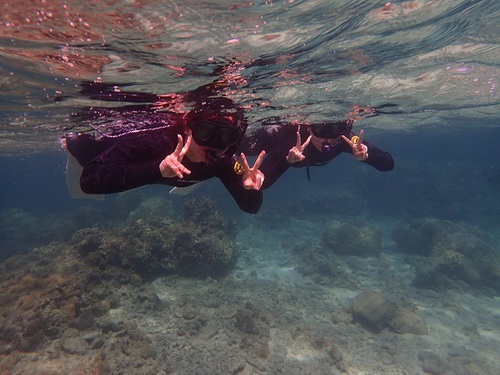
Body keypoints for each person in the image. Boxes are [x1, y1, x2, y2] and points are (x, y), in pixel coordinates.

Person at [62, 83, 266, 214]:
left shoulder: (222, 160)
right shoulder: (157, 142)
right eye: (205, 130)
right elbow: (89, 182)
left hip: (143, 172)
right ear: (187, 127)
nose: (214, 143)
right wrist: (156, 170)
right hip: (94, 151)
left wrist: (251, 190)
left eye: (225, 136)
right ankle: (70, 146)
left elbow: (251, 207)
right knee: (78, 147)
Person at [240, 120, 394, 189]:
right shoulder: (290, 141)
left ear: (343, 130)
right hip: (260, 141)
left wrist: (367, 157)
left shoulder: (346, 141)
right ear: (309, 128)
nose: (327, 138)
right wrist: (287, 160)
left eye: (334, 129)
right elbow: (262, 182)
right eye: (319, 129)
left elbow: (388, 164)